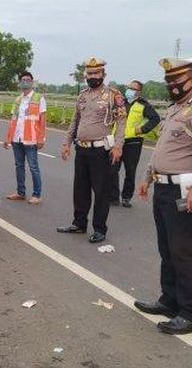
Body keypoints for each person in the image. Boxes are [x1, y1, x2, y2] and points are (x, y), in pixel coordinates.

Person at [134, 57, 192, 335]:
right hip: (163, 187)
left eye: (177, 80)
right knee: (167, 249)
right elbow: (162, 148)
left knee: (183, 251)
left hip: (186, 189)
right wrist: (148, 177)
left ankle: (191, 313)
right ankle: (169, 300)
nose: (172, 85)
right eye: (169, 81)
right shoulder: (173, 110)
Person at [57, 57, 126, 243]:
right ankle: (79, 223)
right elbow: (75, 121)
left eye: (96, 73)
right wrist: (67, 143)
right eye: (89, 73)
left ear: (103, 74)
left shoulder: (113, 95)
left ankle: (99, 229)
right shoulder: (83, 95)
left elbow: (121, 122)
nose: (92, 76)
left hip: (101, 151)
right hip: (82, 149)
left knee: (101, 192)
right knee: (80, 189)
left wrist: (118, 146)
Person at [109, 80, 161, 208]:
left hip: (133, 142)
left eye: (133, 88)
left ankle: (126, 197)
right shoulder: (121, 102)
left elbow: (155, 118)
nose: (129, 90)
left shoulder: (144, 105)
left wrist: (142, 130)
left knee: (130, 171)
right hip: (117, 141)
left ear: (139, 92)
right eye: (129, 87)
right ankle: (113, 197)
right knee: (112, 169)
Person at [3, 71, 47, 204]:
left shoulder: (39, 98)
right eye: (23, 80)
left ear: (32, 82)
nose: (25, 82)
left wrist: (41, 138)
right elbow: (13, 120)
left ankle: (37, 194)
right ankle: (20, 193)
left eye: (28, 79)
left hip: (31, 139)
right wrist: (8, 138)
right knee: (19, 166)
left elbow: (43, 121)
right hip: (17, 139)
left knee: (33, 167)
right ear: (20, 83)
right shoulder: (17, 100)